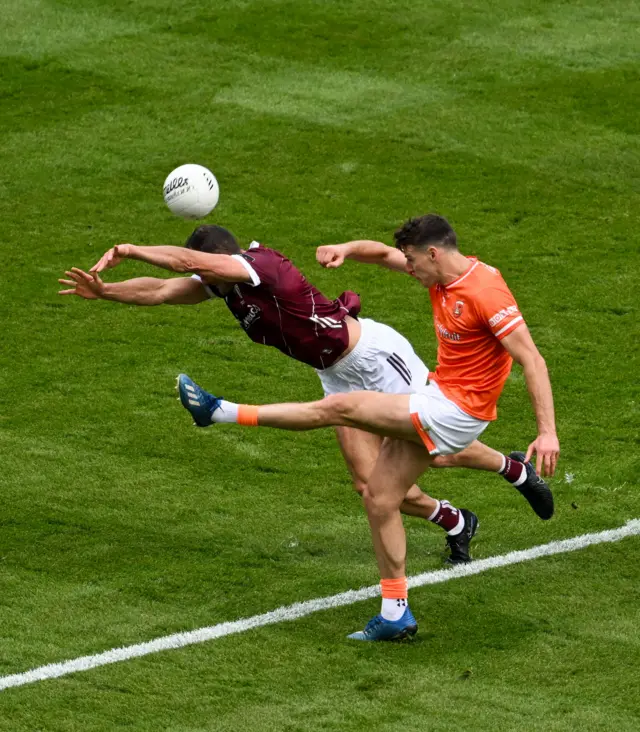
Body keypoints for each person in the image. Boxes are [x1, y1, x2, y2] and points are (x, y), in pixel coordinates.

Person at [59, 225, 551, 567]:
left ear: (223, 262)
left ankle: (514, 469)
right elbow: (163, 290)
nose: (200, 282)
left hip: (374, 358)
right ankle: (457, 521)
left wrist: (129, 247)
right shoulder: (223, 286)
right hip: (334, 374)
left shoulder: (257, 266)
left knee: (435, 451)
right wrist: (106, 293)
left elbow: (184, 262)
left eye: (207, 273)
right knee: (371, 488)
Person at [173, 215, 560, 641]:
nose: (407, 268)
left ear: (433, 253)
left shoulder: (484, 291)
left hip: (458, 410)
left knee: (340, 409)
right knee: (377, 497)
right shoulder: (439, 275)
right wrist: (348, 249)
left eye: (412, 261)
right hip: (438, 396)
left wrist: (547, 432)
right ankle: (397, 612)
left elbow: (533, 360)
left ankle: (221, 412)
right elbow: (381, 254)